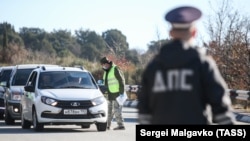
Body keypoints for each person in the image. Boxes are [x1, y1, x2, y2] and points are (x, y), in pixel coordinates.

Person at [137, 6, 236, 125]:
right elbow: (220, 106)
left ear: (171, 33)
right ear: (194, 32)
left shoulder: (154, 66)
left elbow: (143, 110)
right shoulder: (203, 64)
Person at [100, 57, 126, 130]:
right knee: (109, 110)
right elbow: (105, 83)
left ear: (107, 63)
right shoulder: (106, 71)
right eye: (102, 65)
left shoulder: (115, 69)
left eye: (103, 64)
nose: (103, 66)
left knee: (117, 110)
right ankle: (107, 125)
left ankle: (121, 125)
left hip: (117, 93)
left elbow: (121, 81)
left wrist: (121, 92)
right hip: (109, 94)